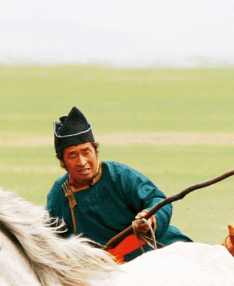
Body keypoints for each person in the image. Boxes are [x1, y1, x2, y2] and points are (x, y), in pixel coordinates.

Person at [45, 106, 191, 261]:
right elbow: (54, 237)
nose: (82, 162)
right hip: (106, 267)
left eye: (86, 152)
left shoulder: (119, 175)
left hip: (156, 250)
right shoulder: (60, 194)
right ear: (62, 162)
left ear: (96, 152)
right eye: (72, 156)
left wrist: (149, 218)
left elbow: (158, 200)